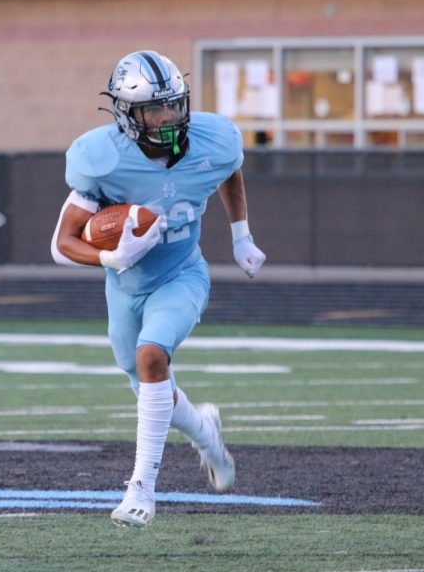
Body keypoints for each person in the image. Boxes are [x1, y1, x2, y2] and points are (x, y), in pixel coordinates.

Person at [50, 50, 267, 528]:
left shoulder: (215, 138)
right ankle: (206, 432)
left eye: (173, 105)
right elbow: (60, 243)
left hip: (182, 274)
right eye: (154, 109)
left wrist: (241, 235)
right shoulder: (101, 157)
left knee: (153, 357)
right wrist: (111, 256)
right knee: (150, 385)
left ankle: (141, 490)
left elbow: (228, 170)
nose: (167, 117)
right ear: (128, 115)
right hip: (126, 285)